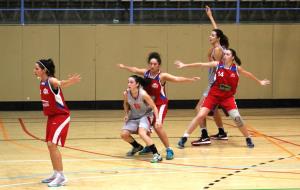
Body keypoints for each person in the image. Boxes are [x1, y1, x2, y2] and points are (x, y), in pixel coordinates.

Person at [175, 48, 270, 148]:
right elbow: (201, 64)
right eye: (224, 54)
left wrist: (259, 81)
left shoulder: (237, 69)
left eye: (228, 54)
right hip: (214, 95)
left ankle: (248, 138)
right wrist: (184, 65)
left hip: (227, 98)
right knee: (200, 115)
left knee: (237, 118)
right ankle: (184, 138)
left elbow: (248, 74)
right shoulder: (218, 64)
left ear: (232, 57)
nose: (225, 55)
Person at [118, 52, 200, 160]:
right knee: (146, 126)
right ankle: (148, 146)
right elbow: (134, 69)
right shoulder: (145, 73)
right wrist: (124, 67)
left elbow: (176, 79)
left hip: (160, 104)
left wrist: (190, 79)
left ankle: (169, 149)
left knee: (158, 126)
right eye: (151, 64)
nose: (152, 66)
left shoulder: (162, 76)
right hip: (149, 105)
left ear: (159, 65)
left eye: (155, 64)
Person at [33, 59, 81, 187]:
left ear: (44, 70)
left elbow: (60, 83)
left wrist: (70, 81)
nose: (34, 70)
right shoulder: (42, 82)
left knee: (52, 144)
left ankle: (61, 177)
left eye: (37, 68)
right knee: (50, 145)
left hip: (61, 116)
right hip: (52, 117)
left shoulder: (51, 81)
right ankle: (55, 173)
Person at [191, 5, 231, 147]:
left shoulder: (219, 50)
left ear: (217, 38)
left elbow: (215, 63)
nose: (210, 36)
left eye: (212, 35)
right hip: (219, 84)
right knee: (213, 110)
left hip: (215, 84)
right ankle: (221, 132)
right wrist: (211, 17)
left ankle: (204, 136)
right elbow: (218, 32)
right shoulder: (220, 47)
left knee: (198, 108)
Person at [121, 75, 162, 163]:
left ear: (137, 84)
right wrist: (126, 114)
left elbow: (154, 107)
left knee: (142, 133)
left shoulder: (143, 94)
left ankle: (157, 154)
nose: (129, 84)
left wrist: (157, 119)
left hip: (145, 115)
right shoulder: (126, 93)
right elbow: (126, 104)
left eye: (131, 82)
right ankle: (137, 147)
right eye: (128, 82)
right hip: (134, 116)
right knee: (124, 134)